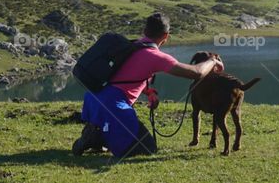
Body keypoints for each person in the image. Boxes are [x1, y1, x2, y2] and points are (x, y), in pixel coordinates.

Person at [72, 13, 223, 158]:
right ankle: (96, 137)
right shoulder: (155, 56)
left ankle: (96, 133)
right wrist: (212, 61)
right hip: (113, 105)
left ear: (144, 31)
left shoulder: (131, 45)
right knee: (147, 148)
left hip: (94, 98)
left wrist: (148, 91)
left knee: (131, 137)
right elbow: (196, 72)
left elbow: (125, 75)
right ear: (165, 37)